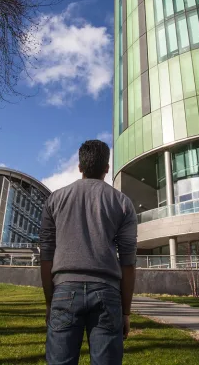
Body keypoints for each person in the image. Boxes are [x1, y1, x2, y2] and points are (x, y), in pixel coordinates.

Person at [40, 139, 137, 365]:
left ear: (80, 167)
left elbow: (46, 255)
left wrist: (49, 302)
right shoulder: (122, 203)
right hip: (107, 292)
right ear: (107, 168)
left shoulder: (55, 199)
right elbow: (128, 262)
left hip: (64, 291)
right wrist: (126, 312)